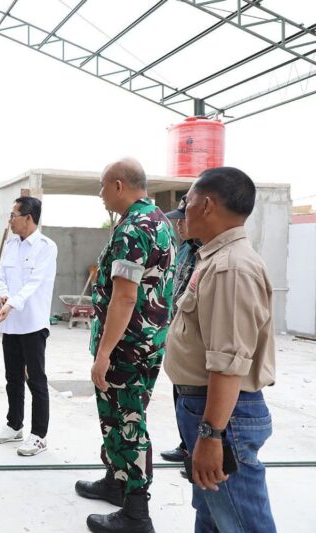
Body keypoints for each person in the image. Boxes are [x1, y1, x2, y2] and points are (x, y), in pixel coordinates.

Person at [165, 167, 277, 532]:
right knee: (214, 516)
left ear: (207, 204)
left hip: (224, 418)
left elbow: (228, 364)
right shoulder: (212, 258)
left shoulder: (231, 268)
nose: (185, 209)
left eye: (188, 201)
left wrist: (212, 435)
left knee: (242, 523)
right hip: (207, 410)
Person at [75, 158, 175, 533]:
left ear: (118, 185)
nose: (100, 195)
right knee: (123, 419)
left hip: (126, 348)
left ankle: (136, 512)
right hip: (147, 343)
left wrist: (103, 354)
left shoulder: (133, 228)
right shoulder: (160, 221)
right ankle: (116, 482)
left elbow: (125, 298)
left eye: (102, 187)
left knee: (128, 423)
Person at [0, 196, 58, 456]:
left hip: (33, 323)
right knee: (12, 377)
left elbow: (35, 283)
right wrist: (2, 296)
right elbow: (0, 277)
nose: (10, 220)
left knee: (36, 379)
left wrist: (12, 303)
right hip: (10, 323)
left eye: (14, 215)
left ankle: (39, 435)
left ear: (29, 218)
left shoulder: (46, 247)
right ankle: (14, 425)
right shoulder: (11, 245)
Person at [160, 196, 201, 464]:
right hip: (176, 329)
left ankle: (197, 453)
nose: (179, 225)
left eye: (183, 220)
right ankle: (186, 444)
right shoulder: (185, 248)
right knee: (179, 390)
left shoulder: (208, 251)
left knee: (195, 397)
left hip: (193, 334)